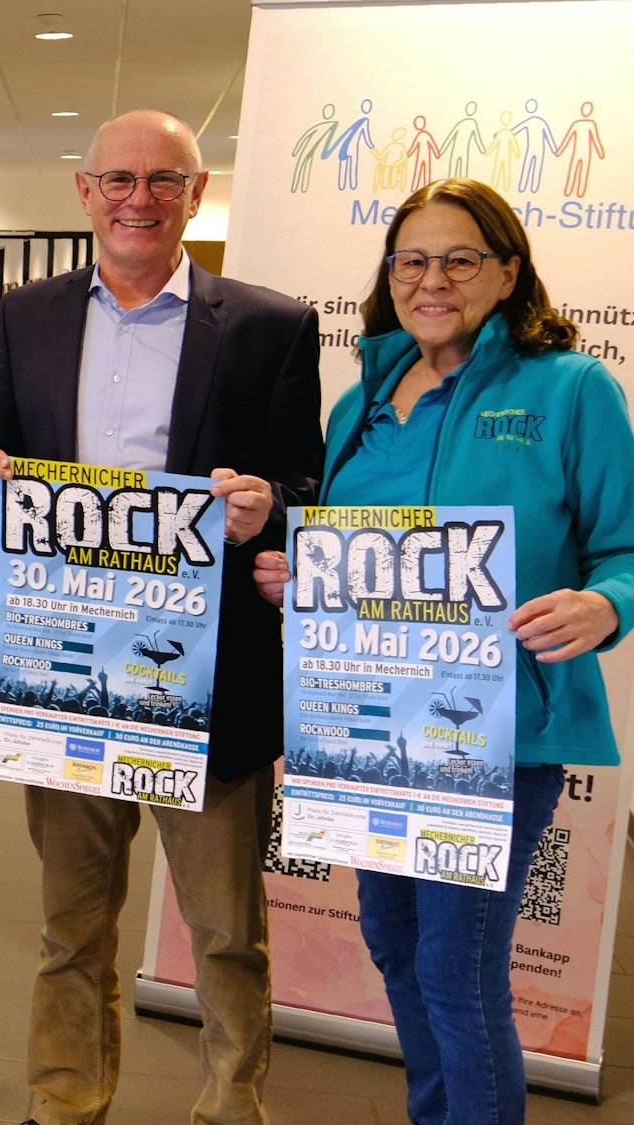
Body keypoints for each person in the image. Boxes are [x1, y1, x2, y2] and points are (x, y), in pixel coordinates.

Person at [0, 110, 322, 1125]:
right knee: (69, 923)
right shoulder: (25, 315)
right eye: (116, 178)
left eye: (163, 180)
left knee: (223, 932)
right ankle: (64, 1098)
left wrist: (271, 503)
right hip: (65, 671)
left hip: (208, 679)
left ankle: (228, 1101)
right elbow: (12, 463)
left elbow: (306, 477)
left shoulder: (268, 324)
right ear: (83, 192)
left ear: (195, 195)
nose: (137, 198)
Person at [251, 177, 634, 1125]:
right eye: (412, 260)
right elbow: (351, 551)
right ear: (389, 276)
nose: (433, 279)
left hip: (497, 739)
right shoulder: (362, 402)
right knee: (391, 939)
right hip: (374, 735)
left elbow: (626, 547)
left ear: (508, 274)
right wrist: (298, 576)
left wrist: (605, 603)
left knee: (457, 967)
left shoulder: (570, 387)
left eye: (461, 259)